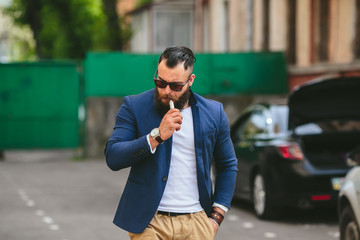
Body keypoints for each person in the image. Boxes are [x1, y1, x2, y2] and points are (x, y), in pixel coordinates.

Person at [105, 46, 238, 239]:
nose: (166, 91)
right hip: (149, 222)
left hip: (197, 220)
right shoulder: (134, 106)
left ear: (190, 80)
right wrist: (156, 137)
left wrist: (216, 217)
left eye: (175, 86)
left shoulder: (213, 113)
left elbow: (227, 165)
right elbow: (113, 157)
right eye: (160, 82)